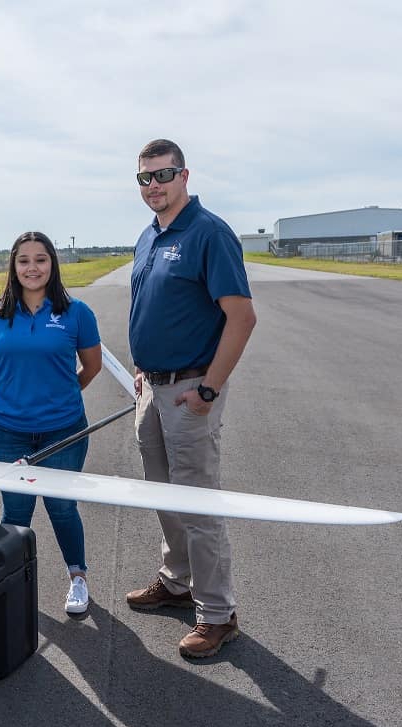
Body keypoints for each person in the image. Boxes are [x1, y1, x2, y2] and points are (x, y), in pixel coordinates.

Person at [124, 139, 257, 658]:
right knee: (164, 494)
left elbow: (242, 318)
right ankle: (177, 581)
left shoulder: (208, 233)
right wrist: (142, 362)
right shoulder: (147, 237)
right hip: (151, 386)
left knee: (198, 504)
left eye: (163, 175)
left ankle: (217, 613)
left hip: (189, 391)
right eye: (144, 178)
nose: (153, 186)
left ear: (184, 176)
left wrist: (208, 389)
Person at [0, 231, 102, 615]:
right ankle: (8, 584)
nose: (33, 268)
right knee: (15, 512)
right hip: (9, 431)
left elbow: (92, 366)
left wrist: (60, 394)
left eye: (41, 259)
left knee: (62, 508)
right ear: (13, 266)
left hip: (64, 431)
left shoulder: (77, 312)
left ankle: (77, 578)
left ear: (52, 264)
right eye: (24, 260)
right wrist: (15, 392)